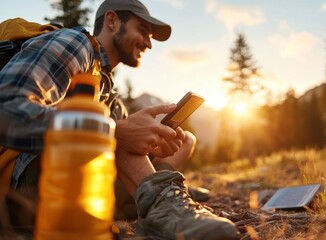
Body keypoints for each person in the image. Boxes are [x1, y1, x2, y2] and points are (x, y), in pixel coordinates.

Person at [0, 0, 239, 239]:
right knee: (122, 135)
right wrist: (115, 132)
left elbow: (123, 152)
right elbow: (7, 110)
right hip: (14, 191)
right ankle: (164, 208)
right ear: (112, 21)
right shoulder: (74, 44)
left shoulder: (109, 96)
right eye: (143, 30)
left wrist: (147, 140)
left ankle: (163, 201)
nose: (148, 43)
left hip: (75, 189)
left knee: (185, 140)